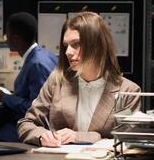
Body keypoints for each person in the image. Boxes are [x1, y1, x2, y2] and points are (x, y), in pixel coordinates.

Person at [17, 12, 141, 147]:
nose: (67, 52)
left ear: (98, 46)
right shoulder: (56, 81)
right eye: (66, 45)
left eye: (76, 44)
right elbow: (26, 123)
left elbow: (128, 140)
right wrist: (41, 136)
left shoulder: (127, 91)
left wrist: (82, 136)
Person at [0, 12, 57, 142]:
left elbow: (37, 109)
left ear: (16, 39)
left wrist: (3, 97)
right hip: (40, 126)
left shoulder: (37, 64)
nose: (6, 39)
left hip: (37, 129)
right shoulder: (45, 55)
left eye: (8, 35)